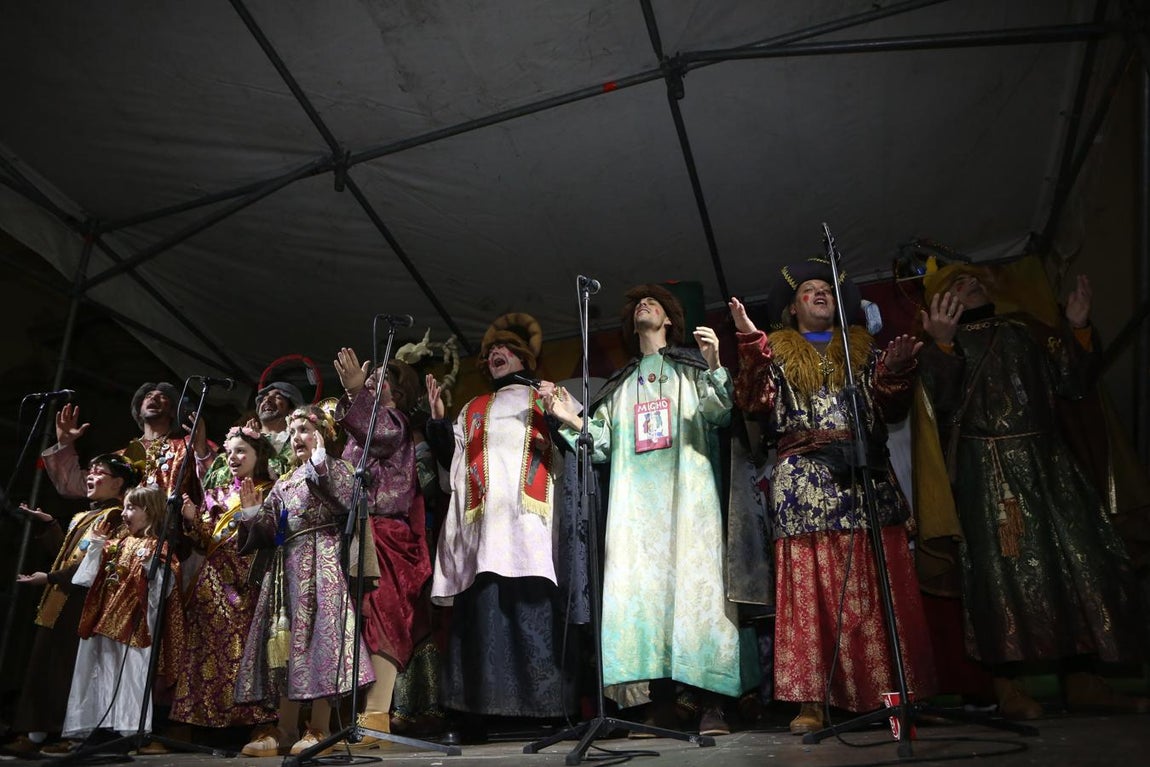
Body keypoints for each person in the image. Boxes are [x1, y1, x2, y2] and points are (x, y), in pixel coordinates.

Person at [918, 263, 1148, 719]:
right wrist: (941, 344)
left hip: (1051, 468)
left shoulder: (1026, 331)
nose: (973, 284)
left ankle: (1085, 679)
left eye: (975, 279)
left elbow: (1074, 384)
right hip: (990, 474)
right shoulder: (941, 346)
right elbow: (937, 404)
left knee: (1081, 564)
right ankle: (1008, 686)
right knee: (1000, 578)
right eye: (958, 283)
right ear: (941, 301)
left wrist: (1078, 328)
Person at [727, 258, 936, 734]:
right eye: (809, 290)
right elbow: (753, 400)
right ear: (791, 309)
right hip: (803, 485)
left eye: (826, 288)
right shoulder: (774, 353)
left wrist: (897, 371)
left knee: (874, 592)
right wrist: (750, 342)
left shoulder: (864, 352)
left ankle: (894, 695)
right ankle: (811, 701)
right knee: (808, 595)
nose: (819, 292)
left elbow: (890, 405)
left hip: (864, 477)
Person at [544, 285, 740, 736]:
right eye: (636, 305)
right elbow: (602, 444)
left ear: (670, 319)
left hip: (688, 500)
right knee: (645, 598)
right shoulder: (621, 384)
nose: (643, 307)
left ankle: (713, 706)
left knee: (697, 595)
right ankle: (662, 705)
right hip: (635, 509)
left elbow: (720, 413)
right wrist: (568, 418)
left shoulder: (690, 368)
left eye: (653, 303)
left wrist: (714, 365)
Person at [426, 313, 581, 744]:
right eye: (491, 352)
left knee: (535, 613)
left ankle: (552, 712)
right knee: (481, 620)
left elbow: (578, 448)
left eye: (506, 350)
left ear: (525, 358)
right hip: (484, 534)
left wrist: (558, 412)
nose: (495, 354)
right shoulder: (472, 408)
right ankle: (473, 716)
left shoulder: (547, 396)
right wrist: (439, 424)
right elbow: (450, 472)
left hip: (534, 526)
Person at [234, 405, 374, 757]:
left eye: (304, 430)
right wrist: (252, 513)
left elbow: (345, 501)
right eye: (292, 432)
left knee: (319, 643)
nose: (296, 438)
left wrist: (322, 465)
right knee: (283, 645)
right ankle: (285, 728)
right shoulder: (285, 481)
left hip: (321, 562)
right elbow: (270, 529)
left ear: (323, 434)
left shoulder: (338, 468)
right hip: (286, 570)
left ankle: (320, 728)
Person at [331, 349, 433, 745]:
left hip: (386, 535)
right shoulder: (359, 435)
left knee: (382, 620)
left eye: (382, 378)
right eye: (371, 377)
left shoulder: (394, 423)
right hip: (356, 534)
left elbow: (382, 432)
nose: (373, 380)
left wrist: (357, 390)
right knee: (357, 625)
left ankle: (376, 715)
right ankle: (353, 716)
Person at [7, 454, 139, 755]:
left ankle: (61, 733)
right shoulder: (83, 516)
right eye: (90, 471)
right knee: (44, 664)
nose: (91, 477)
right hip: (61, 598)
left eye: (99, 472)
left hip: (82, 602)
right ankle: (36, 733)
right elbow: (64, 555)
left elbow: (94, 565)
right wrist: (51, 525)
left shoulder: (115, 516)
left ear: (118, 483)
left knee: (64, 669)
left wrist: (50, 577)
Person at [169, 426, 278, 731]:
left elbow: (272, 540)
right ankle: (198, 724)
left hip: (249, 585)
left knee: (246, 654)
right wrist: (192, 519)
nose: (233, 457)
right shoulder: (217, 493)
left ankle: (256, 723)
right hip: (212, 584)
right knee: (203, 654)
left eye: (241, 451)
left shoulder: (272, 490)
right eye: (229, 452)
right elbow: (206, 540)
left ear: (259, 456)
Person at [62, 485, 185, 741]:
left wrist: (153, 566)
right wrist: (96, 547)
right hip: (105, 617)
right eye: (126, 506)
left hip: (135, 623)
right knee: (100, 668)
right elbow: (86, 578)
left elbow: (162, 590)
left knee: (130, 671)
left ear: (149, 512)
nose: (125, 513)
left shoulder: (157, 547)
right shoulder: (117, 543)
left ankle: (127, 729)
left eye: (132, 508)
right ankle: (97, 725)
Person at [41, 383, 212, 499]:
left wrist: (202, 451)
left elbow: (218, 480)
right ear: (138, 411)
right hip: (122, 543)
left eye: (162, 397)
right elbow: (73, 485)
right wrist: (65, 444)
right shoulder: (119, 458)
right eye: (149, 396)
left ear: (174, 411)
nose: (153, 398)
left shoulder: (188, 444)